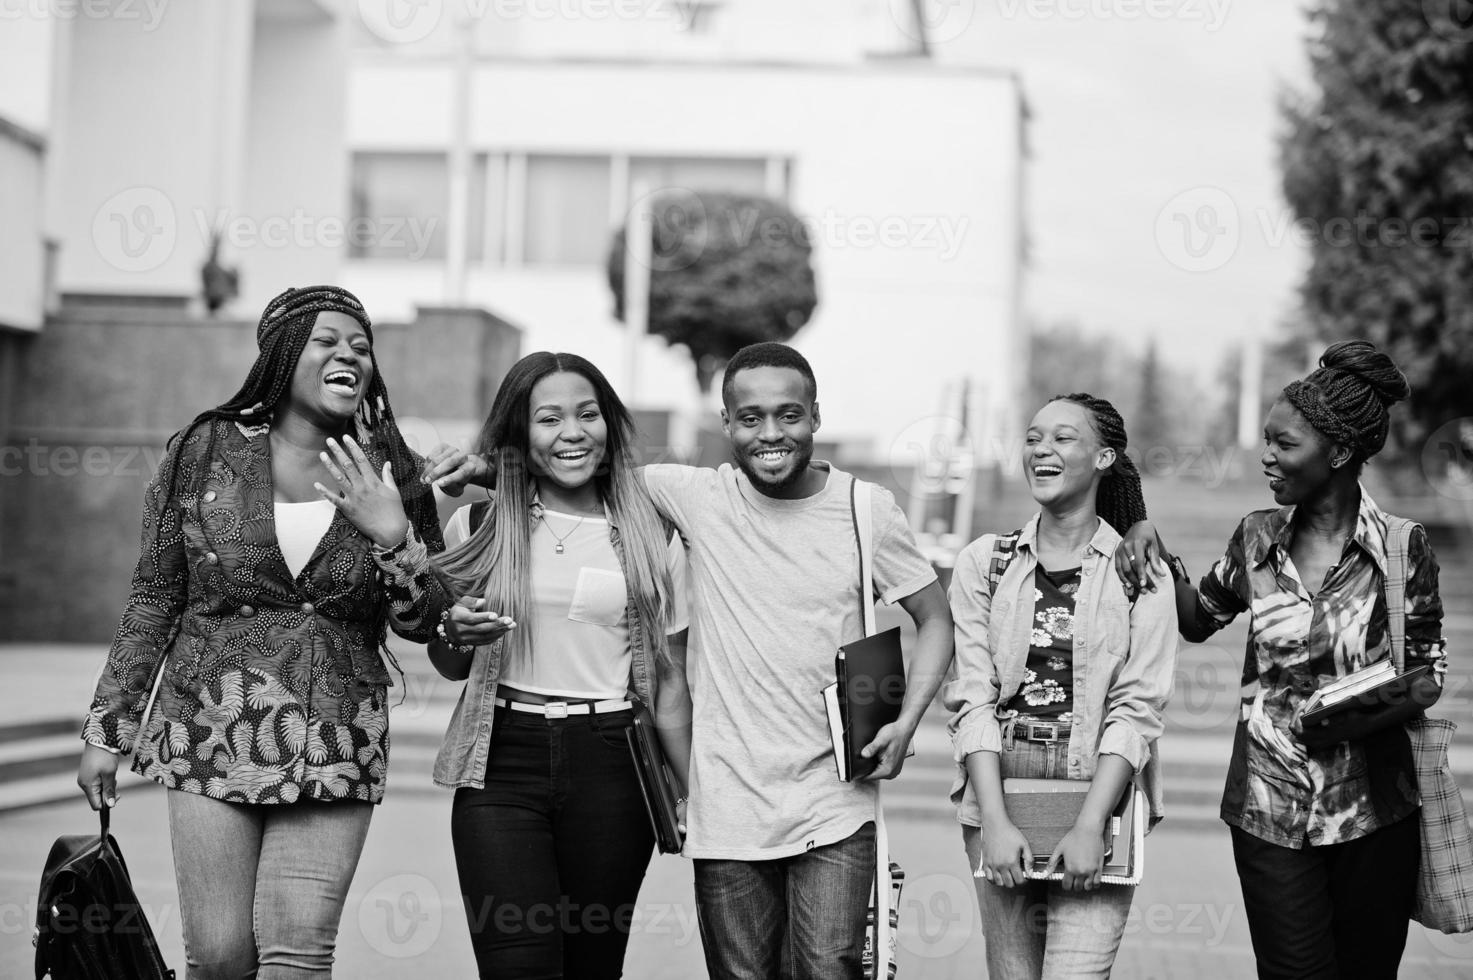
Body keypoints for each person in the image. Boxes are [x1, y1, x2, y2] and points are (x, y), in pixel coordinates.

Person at [76, 285, 470, 979]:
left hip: (333, 735)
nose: (351, 353)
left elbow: (422, 621)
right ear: (282, 355)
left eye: (361, 344)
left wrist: (396, 537)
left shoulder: (393, 469)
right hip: (207, 726)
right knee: (222, 956)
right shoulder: (202, 452)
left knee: (297, 954)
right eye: (328, 340)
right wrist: (109, 730)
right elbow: (155, 593)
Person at [1114, 341, 1446, 980]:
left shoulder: (1405, 548)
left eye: (1284, 444)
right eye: (1267, 439)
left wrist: (1343, 713)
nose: (1266, 455)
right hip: (1268, 809)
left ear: (1340, 452)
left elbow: (1428, 675)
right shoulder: (1255, 536)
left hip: (1375, 814)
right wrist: (1141, 526)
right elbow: (1196, 617)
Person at [638, 342, 955, 980]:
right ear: (726, 424)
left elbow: (937, 619)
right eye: (750, 418)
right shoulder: (695, 497)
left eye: (789, 415)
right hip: (728, 805)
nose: (770, 433)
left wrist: (907, 720)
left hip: (835, 800)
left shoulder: (867, 510)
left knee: (827, 971)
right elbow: (573, 469)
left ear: (815, 417)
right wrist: (475, 468)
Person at [426, 352, 689, 979]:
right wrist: (454, 631)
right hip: (501, 762)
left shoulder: (654, 531)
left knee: (592, 967)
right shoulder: (481, 521)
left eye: (587, 414)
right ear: (520, 435)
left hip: (614, 764)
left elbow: (670, 679)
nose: (572, 433)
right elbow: (449, 662)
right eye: (549, 419)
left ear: (609, 424)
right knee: (517, 967)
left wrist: (692, 791)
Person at [944, 393, 1177, 979]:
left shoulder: (1140, 569)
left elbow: (1138, 707)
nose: (1041, 449)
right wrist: (994, 822)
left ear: (1104, 458)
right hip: (999, 787)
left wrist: (1091, 824)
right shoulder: (984, 562)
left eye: (1064, 438)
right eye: (1032, 437)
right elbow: (972, 696)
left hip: (1098, 787)